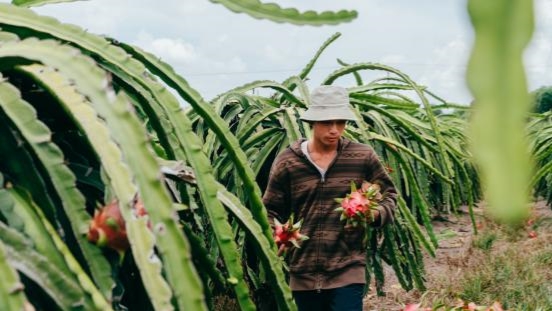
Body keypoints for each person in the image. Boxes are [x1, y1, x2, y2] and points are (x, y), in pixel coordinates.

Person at [263, 85, 397, 311]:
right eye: (327, 122)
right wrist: (275, 235)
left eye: (341, 122)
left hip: (348, 268)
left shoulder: (362, 156)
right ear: (312, 122)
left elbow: (389, 195)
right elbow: (270, 209)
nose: (335, 130)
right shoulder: (288, 162)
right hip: (302, 270)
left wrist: (373, 213)